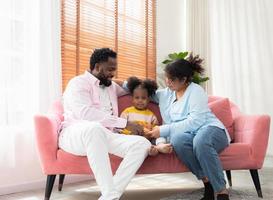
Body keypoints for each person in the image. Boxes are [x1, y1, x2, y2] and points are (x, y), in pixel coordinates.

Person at [58, 48, 151, 200]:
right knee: (94, 128)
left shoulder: (111, 85)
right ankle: (110, 195)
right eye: (110, 69)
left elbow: (132, 87)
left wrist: (164, 93)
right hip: (75, 134)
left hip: (105, 135)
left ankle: (109, 196)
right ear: (97, 66)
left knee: (142, 144)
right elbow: (85, 114)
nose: (113, 73)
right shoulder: (77, 83)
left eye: (114, 69)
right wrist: (124, 123)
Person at [146, 54, 231, 200]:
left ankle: (222, 192)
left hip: (211, 129)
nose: (168, 82)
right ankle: (207, 183)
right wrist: (127, 83)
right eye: (167, 77)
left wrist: (162, 130)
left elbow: (195, 122)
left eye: (172, 79)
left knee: (200, 141)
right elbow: (138, 88)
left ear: (184, 79)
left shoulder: (196, 91)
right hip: (189, 134)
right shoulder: (166, 94)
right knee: (178, 140)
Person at [119, 76, 173, 156]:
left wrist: (150, 133)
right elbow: (121, 126)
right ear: (132, 99)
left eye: (143, 98)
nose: (140, 100)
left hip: (146, 139)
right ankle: (149, 149)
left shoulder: (151, 115)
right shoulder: (127, 112)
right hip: (130, 138)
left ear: (148, 99)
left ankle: (157, 147)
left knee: (160, 136)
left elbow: (155, 129)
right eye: (137, 98)